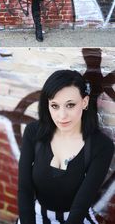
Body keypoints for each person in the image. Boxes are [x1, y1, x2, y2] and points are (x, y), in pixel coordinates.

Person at [18, 70, 114, 224]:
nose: (62, 116)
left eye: (70, 105)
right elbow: (24, 189)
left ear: (84, 102)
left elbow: (81, 206)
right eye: (55, 106)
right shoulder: (33, 132)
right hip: (35, 215)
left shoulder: (101, 147)